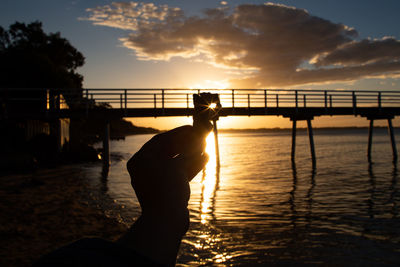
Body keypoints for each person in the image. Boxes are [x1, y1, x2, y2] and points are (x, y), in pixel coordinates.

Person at [34, 125, 211, 266]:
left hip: (84, 253)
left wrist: (162, 215)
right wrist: (168, 216)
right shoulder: (82, 253)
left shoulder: (75, 254)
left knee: (87, 249)